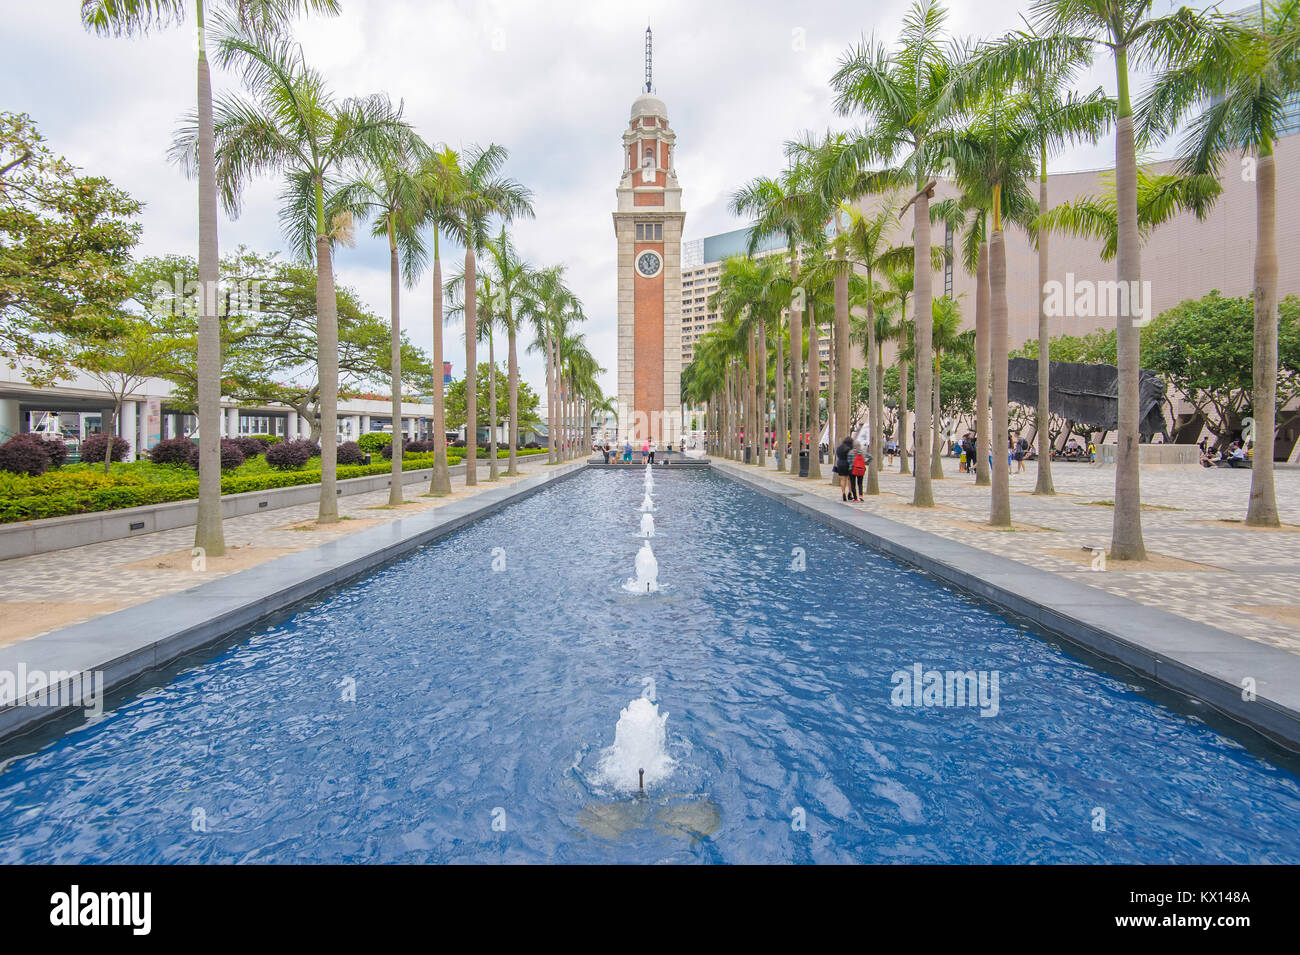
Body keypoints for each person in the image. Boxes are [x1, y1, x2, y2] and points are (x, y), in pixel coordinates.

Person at [834, 435, 854, 501]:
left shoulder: (839, 448)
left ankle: (843, 493)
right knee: (850, 479)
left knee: (843, 479)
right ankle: (850, 493)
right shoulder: (850, 448)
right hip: (848, 464)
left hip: (840, 463)